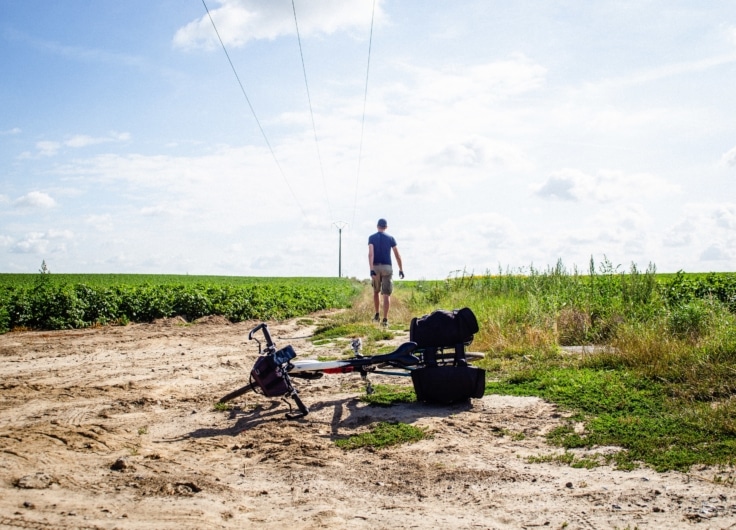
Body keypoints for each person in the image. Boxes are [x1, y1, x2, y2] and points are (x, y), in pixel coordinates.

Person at [368, 218, 404, 326]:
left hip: (376, 267)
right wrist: (401, 269)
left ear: (377, 226)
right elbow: (397, 255)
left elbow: (370, 254)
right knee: (386, 294)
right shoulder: (391, 238)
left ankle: (377, 315)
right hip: (387, 267)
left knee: (376, 291)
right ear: (386, 227)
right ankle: (385, 320)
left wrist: (371, 269)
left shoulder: (371, 238)